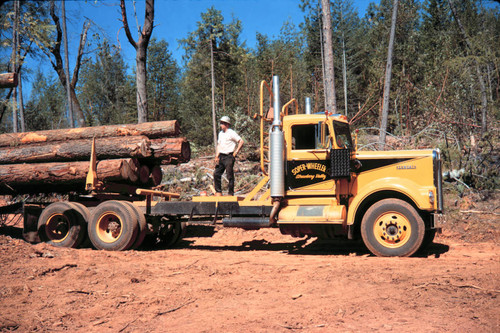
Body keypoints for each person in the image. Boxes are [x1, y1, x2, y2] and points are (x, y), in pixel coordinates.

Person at [214, 116, 244, 196]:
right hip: (221, 156)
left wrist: (235, 152)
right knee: (216, 173)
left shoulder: (231, 132)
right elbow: (219, 145)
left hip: (229, 156)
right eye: (221, 123)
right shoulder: (220, 134)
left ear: (227, 124)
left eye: (222, 123)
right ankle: (218, 192)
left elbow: (241, 141)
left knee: (229, 175)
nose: (221, 125)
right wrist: (217, 156)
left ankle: (230, 193)